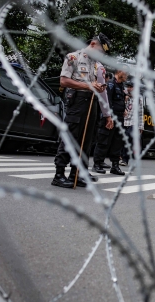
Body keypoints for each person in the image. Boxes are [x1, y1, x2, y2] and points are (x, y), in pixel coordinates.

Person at [51, 33, 112, 188]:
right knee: (70, 138)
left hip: (92, 103)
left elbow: (102, 91)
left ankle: (77, 173)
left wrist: (107, 114)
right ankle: (59, 174)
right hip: (77, 101)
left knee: (86, 141)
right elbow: (63, 81)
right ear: (92, 44)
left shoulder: (98, 65)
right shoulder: (73, 57)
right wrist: (88, 86)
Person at [92, 70, 130, 175]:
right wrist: (109, 116)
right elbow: (107, 101)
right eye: (125, 74)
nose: (126, 76)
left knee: (117, 143)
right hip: (110, 117)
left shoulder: (121, 86)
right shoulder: (110, 84)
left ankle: (115, 166)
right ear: (119, 72)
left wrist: (124, 109)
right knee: (104, 140)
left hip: (119, 117)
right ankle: (97, 164)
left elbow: (121, 100)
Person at [119, 80, 144, 167]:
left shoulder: (139, 98)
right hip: (124, 121)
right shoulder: (124, 95)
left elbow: (141, 113)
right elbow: (120, 105)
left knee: (130, 138)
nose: (129, 88)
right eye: (128, 87)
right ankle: (122, 157)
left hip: (133, 122)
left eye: (131, 87)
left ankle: (127, 159)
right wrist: (124, 99)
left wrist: (141, 126)